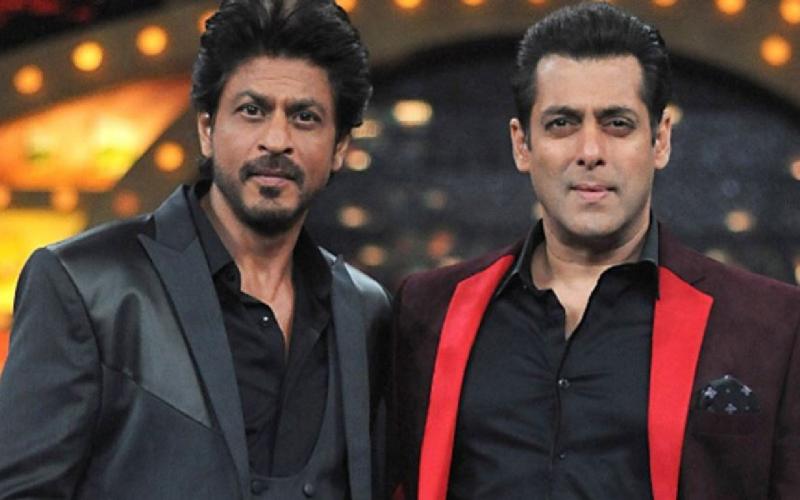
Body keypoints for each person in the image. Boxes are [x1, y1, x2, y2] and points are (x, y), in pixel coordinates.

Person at [389, 3, 800, 500]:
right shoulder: (426, 310)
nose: (590, 151)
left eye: (617, 123)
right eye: (562, 123)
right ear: (522, 145)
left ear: (660, 140)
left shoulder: (768, 325)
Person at [0, 1, 390, 498]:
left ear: (339, 148)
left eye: (305, 117)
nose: (276, 140)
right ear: (207, 129)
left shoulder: (365, 312)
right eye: (252, 111)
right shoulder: (85, 285)